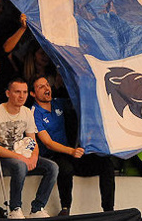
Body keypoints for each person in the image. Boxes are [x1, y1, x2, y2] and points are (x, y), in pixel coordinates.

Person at [31, 76, 115, 216]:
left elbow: (82, 101)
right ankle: (65, 209)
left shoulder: (58, 103)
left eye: (47, 85)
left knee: (106, 164)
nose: (46, 88)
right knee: (65, 168)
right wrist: (72, 151)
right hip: (51, 156)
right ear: (33, 94)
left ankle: (109, 211)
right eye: (41, 87)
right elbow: (48, 143)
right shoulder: (34, 112)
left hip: (70, 153)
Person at [0, 78, 58, 219]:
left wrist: (34, 157)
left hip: (21, 156)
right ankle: (15, 209)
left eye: (24, 92)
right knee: (20, 165)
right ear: (8, 93)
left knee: (53, 167)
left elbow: (33, 142)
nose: (21, 96)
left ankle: (37, 208)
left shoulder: (26, 112)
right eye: (17, 92)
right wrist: (23, 158)